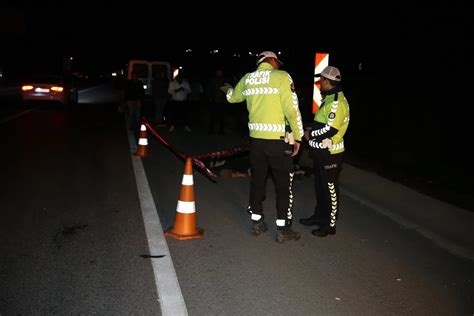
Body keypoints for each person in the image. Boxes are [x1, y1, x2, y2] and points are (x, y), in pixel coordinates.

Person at [222, 51, 305, 243]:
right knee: (283, 186)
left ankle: (257, 223)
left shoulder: (247, 78)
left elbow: (232, 98)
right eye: (277, 62)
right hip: (278, 142)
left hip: (256, 143)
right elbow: (292, 110)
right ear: (272, 60)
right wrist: (299, 138)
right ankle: (283, 230)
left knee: (257, 182)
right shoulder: (282, 77)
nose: (278, 65)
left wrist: (227, 90)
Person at [299, 66, 350, 237]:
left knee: (330, 189)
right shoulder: (328, 99)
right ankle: (319, 216)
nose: (319, 83)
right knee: (320, 186)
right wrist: (310, 129)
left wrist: (310, 133)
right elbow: (321, 123)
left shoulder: (336, 102)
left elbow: (330, 130)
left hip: (331, 154)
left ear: (327, 82)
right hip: (321, 152)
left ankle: (330, 225)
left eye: (321, 80)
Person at [207, 68, 230, 135]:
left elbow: (228, 90)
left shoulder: (225, 80)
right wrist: (210, 98)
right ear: (216, 73)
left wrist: (227, 98)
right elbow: (209, 90)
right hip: (214, 101)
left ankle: (221, 131)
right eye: (218, 72)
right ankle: (211, 130)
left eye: (220, 72)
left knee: (222, 117)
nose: (219, 73)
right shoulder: (212, 80)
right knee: (212, 117)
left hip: (222, 101)